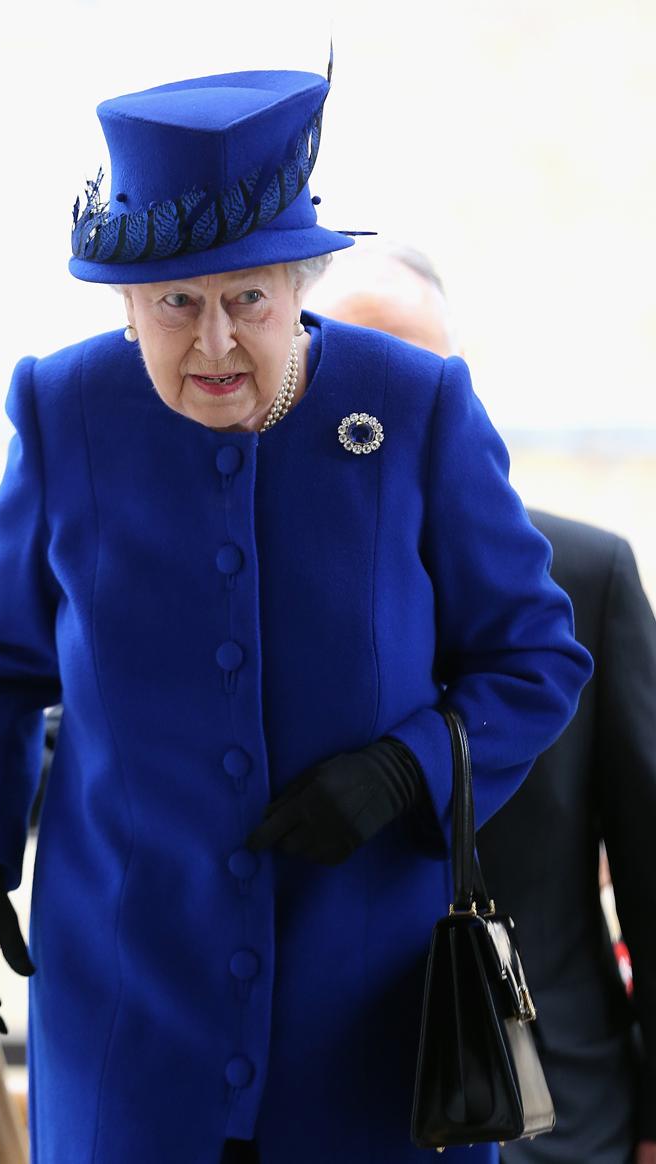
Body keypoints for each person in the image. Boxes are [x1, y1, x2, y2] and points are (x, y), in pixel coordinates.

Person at [0, 66, 592, 1164]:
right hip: (130, 1013)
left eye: (249, 300)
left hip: (366, 1021)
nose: (217, 344)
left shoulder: (415, 409)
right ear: (125, 303)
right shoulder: (64, 410)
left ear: (299, 285)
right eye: (177, 304)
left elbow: (533, 655)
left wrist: (404, 771)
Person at [326, 243, 656, 1164]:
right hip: (336, 1106)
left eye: (416, 378)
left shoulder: (587, 578)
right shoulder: (269, 595)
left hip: (558, 1113)